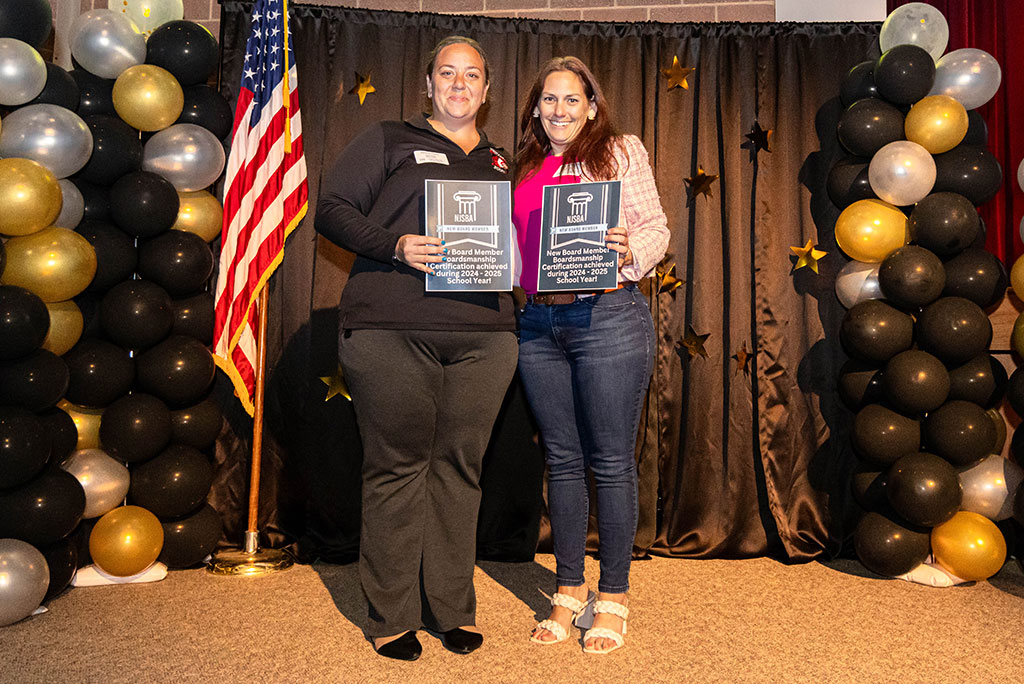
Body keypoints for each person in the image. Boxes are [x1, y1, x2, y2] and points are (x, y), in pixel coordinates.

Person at [314, 36, 518, 661]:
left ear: (487, 90)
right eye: (447, 74)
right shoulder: (387, 139)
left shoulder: (503, 162)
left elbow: (530, 242)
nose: (460, 85)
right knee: (398, 467)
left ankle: (452, 608)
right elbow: (330, 208)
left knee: (460, 470)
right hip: (389, 328)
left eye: (472, 76)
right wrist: (395, 245)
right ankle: (392, 614)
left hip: (486, 337)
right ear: (428, 85)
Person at [512, 56, 669, 654]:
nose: (560, 111)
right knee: (562, 459)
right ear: (534, 109)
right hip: (536, 323)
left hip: (606, 315)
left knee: (610, 461)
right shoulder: (520, 164)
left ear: (592, 106)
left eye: (572, 100)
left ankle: (615, 596)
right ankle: (569, 588)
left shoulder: (621, 151)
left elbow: (656, 226)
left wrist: (628, 251)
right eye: (548, 100)